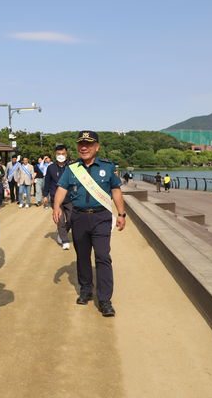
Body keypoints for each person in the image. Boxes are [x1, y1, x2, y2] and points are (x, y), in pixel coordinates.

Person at [53, 131, 126, 317]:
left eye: (88, 144)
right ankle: (86, 289)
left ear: (97, 147)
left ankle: (105, 300)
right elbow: (62, 188)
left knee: (103, 256)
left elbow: (116, 191)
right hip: (79, 218)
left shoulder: (108, 167)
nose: (84, 147)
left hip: (101, 217)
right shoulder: (72, 168)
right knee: (83, 256)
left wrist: (121, 213)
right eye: (80, 144)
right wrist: (56, 207)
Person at [43, 144, 73, 250]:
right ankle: (65, 240)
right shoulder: (51, 168)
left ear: (66, 154)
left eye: (63, 153)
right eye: (58, 154)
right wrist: (45, 195)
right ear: (55, 155)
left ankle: (62, 233)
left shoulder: (71, 167)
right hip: (55, 198)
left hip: (69, 197)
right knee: (60, 219)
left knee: (71, 219)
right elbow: (47, 182)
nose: (61, 155)